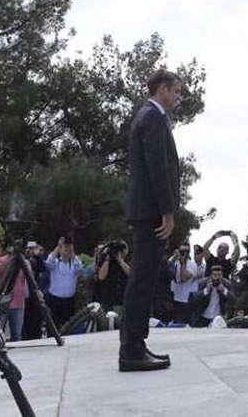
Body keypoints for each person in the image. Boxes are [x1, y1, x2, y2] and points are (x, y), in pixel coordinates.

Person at [120, 68, 182, 372]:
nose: (178, 97)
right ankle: (132, 350)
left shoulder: (151, 117)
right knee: (142, 280)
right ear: (162, 89)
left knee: (144, 279)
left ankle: (136, 346)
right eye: (176, 91)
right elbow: (157, 166)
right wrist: (167, 210)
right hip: (150, 212)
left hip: (147, 210)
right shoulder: (152, 117)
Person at [0, 241, 29, 342]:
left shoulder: (23, 261)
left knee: (17, 334)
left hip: (18, 302)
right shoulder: (0, 261)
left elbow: (29, 275)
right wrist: (10, 259)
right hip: (2, 302)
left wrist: (21, 260)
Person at [45, 236, 83, 330]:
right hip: (54, 300)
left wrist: (71, 251)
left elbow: (79, 267)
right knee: (53, 327)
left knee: (69, 327)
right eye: (64, 248)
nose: (67, 250)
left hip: (69, 301)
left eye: (69, 248)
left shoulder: (74, 263)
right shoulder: (55, 263)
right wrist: (58, 246)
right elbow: (49, 263)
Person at [94, 240, 130, 311]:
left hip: (122, 300)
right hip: (108, 300)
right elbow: (101, 277)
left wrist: (120, 260)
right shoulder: (105, 261)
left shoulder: (126, 262)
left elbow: (131, 274)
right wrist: (107, 259)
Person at [23, 241, 48, 340]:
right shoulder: (24, 260)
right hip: (24, 294)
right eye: (29, 248)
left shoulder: (36, 260)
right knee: (26, 320)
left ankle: (35, 336)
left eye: (33, 248)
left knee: (36, 319)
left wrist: (38, 256)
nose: (30, 251)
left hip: (34, 293)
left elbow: (42, 268)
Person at [169, 244, 198, 324]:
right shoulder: (173, 260)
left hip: (184, 300)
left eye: (187, 251)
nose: (184, 253)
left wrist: (183, 264)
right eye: (182, 251)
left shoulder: (192, 265)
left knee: (179, 325)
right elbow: (165, 271)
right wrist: (174, 258)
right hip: (171, 297)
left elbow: (183, 278)